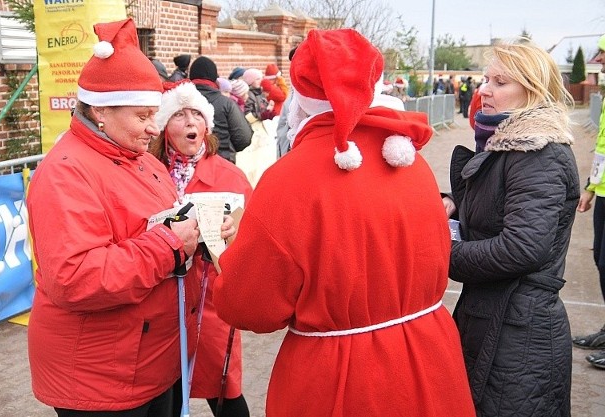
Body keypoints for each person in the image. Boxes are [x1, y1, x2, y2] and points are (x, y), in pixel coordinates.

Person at [212, 28, 476, 417]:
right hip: (431, 361)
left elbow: (250, 306)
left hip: (341, 379)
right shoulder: (412, 162)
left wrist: (227, 259)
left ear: (300, 99)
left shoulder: (289, 180)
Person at [26, 18, 204, 417]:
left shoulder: (140, 159)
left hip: (149, 360)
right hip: (102, 375)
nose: (153, 128)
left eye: (154, 114)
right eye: (143, 116)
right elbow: (74, 277)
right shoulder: (66, 173)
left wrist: (202, 232)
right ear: (100, 111)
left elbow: (161, 223)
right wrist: (172, 244)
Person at [442, 41, 578, 416]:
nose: (484, 90)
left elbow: (522, 247)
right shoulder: (503, 144)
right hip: (495, 320)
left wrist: (442, 251)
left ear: (532, 90)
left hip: (520, 334)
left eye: (500, 82)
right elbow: (496, 212)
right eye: (486, 79)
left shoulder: (539, 152)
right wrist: (453, 205)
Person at [150, 81, 252, 417]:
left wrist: (235, 230)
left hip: (211, 304)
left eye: (196, 113)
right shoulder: (150, 174)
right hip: (163, 302)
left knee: (225, 395)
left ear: (206, 126)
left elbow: (251, 236)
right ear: (165, 128)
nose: (190, 121)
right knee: (168, 392)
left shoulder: (229, 175)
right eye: (179, 114)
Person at [572, 33, 605, 369]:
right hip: (604, 191)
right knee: (601, 261)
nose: (601, 60)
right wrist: (591, 187)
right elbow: (603, 149)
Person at [189, 56, 253, 164]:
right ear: (215, 77)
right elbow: (244, 138)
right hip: (222, 165)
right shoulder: (226, 103)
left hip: (187, 168)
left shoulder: (180, 103)